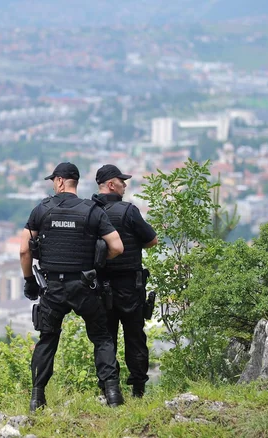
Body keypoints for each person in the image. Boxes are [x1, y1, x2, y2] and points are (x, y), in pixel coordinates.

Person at [19, 162, 126, 412]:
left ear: (58, 181)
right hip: (85, 286)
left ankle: (37, 398)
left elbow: (25, 249)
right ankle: (113, 394)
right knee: (101, 338)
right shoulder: (92, 210)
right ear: (75, 182)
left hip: (52, 287)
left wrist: (29, 282)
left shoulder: (41, 210)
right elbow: (117, 247)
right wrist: (96, 262)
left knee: (47, 339)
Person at [91, 164, 158, 398]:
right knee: (134, 337)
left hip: (100, 288)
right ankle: (138, 390)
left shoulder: (89, 211)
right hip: (130, 286)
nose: (125, 185)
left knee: (104, 339)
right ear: (111, 184)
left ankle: (109, 389)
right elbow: (152, 240)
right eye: (122, 181)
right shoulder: (129, 211)